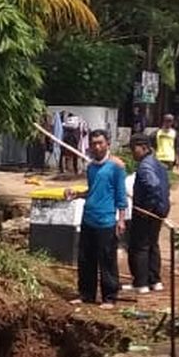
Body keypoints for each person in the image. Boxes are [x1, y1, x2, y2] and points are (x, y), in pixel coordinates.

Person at [67, 130, 128, 309]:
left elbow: (121, 195)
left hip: (106, 221)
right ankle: (86, 294)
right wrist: (77, 194)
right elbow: (91, 191)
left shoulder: (116, 167)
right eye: (93, 143)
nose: (97, 146)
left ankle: (109, 297)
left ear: (107, 143)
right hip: (88, 219)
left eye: (100, 143)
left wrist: (121, 219)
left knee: (107, 260)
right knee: (86, 259)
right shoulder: (92, 167)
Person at [126, 134, 171, 294]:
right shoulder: (158, 164)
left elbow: (154, 187)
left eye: (133, 149)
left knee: (140, 246)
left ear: (144, 147)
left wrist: (148, 209)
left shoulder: (145, 166)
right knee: (152, 244)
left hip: (147, 212)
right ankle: (155, 281)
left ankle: (141, 283)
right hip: (161, 210)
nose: (132, 153)